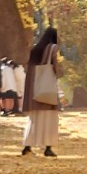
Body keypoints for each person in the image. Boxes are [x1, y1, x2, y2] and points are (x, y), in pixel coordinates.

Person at [20, 26, 63, 157]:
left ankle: (27, 146)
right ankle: (47, 147)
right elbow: (57, 68)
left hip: (35, 91)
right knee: (49, 120)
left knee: (34, 120)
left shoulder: (35, 50)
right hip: (47, 91)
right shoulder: (53, 49)